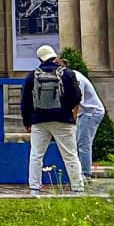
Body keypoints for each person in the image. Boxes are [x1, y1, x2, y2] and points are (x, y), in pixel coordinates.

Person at [23, 46, 85, 194]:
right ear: (54, 56)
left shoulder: (32, 76)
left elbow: (25, 101)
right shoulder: (67, 74)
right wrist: (66, 110)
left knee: (36, 155)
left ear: (39, 59)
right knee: (70, 155)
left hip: (39, 120)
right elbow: (77, 96)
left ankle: (34, 187)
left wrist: (27, 122)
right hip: (63, 120)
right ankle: (77, 187)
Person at [71, 62, 107, 179]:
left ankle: (85, 174)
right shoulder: (71, 77)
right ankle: (81, 172)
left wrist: (72, 119)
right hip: (85, 112)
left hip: (91, 112)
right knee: (79, 142)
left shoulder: (76, 79)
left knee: (83, 143)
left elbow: (76, 100)